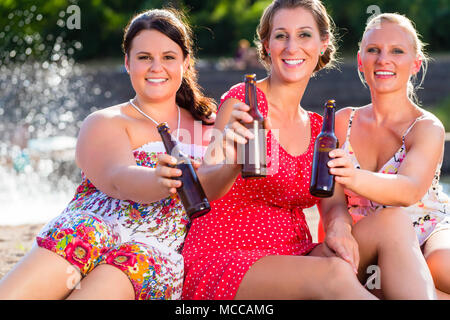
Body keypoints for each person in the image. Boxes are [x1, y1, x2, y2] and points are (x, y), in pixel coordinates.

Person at [181, 0, 436, 300]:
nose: (292, 47)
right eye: (280, 36)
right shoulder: (244, 102)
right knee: (335, 273)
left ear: (322, 43)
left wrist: (340, 228)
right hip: (228, 256)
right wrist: (234, 161)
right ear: (266, 45)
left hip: (296, 254)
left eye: (304, 35)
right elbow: (207, 185)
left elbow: (334, 205)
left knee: (392, 223)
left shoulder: (319, 128)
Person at [0, 8, 216, 300]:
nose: (156, 67)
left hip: (153, 252)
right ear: (127, 63)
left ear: (186, 62)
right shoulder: (105, 121)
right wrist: (157, 178)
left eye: (168, 57)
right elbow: (118, 178)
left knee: (132, 264)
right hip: (91, 231)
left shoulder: (211, 126)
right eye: (144, 57)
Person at [324, 13, 450, 299]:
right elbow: (330, 201)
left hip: (429, 226)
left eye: (396, 51)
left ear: (415, 63)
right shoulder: (342, 121)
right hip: (370, 239)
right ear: (360, 60)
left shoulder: (426, 127)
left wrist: (354, 176)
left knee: (442, 265)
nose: (383, 59)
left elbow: (408, 189)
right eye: (373, 50)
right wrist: (340, 228)